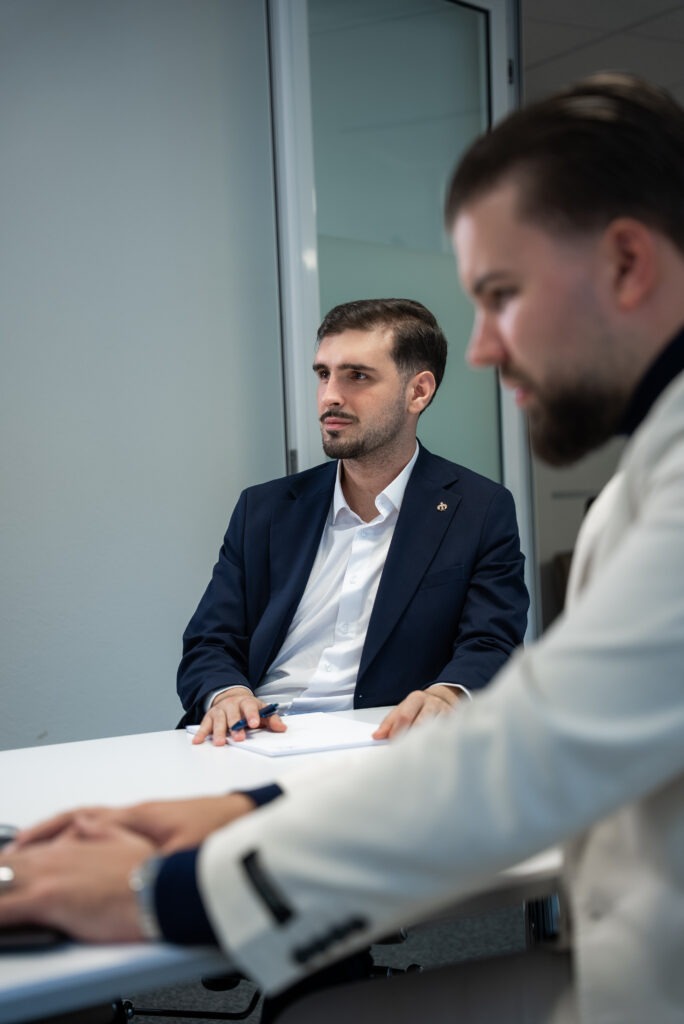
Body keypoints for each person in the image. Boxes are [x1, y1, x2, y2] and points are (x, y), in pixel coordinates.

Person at [3, 71, 684, 1023]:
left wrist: (164, 891)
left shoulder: (528, 501)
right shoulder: (648, 469)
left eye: (503, 294)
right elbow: (539, 738)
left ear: (626, 264)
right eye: (322, 373)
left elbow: (528, 753)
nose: (484, 348)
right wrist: (238, 810)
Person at [178, 297, 528, 745]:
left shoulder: (478, 510)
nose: (330, 396)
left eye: (357, 376)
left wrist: (446, 694)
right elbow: (210, 641)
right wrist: (228, 694)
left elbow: (492, 642)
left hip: (382, 740)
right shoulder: (264, 509)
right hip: (255, 735)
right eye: (323, 374)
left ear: (418, 392)